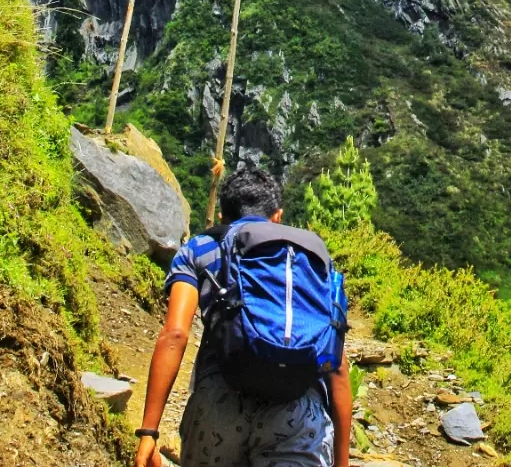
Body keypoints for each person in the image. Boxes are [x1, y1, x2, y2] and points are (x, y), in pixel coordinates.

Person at [134, 166, 351, 467]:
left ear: (223, 216)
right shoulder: (309, 264)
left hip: (219, 405)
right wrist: (342, 461)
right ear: (277, 216)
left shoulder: (200, 247)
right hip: (296, 410)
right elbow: (337, 366)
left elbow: (176, 334)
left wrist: (149, 431)